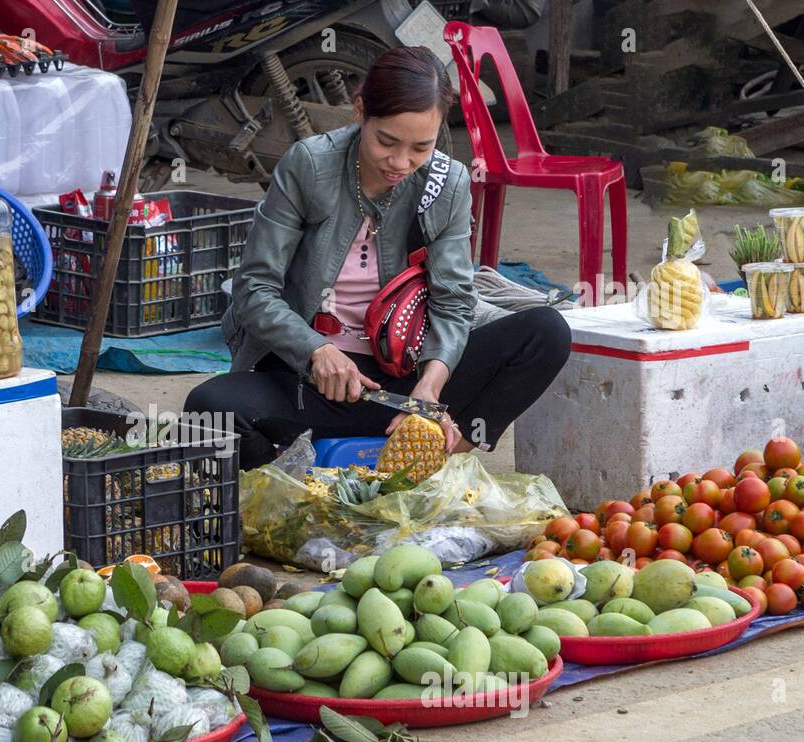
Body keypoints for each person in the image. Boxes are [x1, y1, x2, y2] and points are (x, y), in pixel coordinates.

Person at [185, 45, 571, 469]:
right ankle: (297, 484)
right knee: (208, 408)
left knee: (546, 331)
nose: (400, 162)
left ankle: (438, 451)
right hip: (311, 380)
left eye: (420, 147)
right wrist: (315, 351)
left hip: (406, 378)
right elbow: (254, 288)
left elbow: (453, 300)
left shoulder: (447, 183)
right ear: (360, 111)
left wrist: (430, 387)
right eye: (386, 141)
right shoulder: (309, 166)